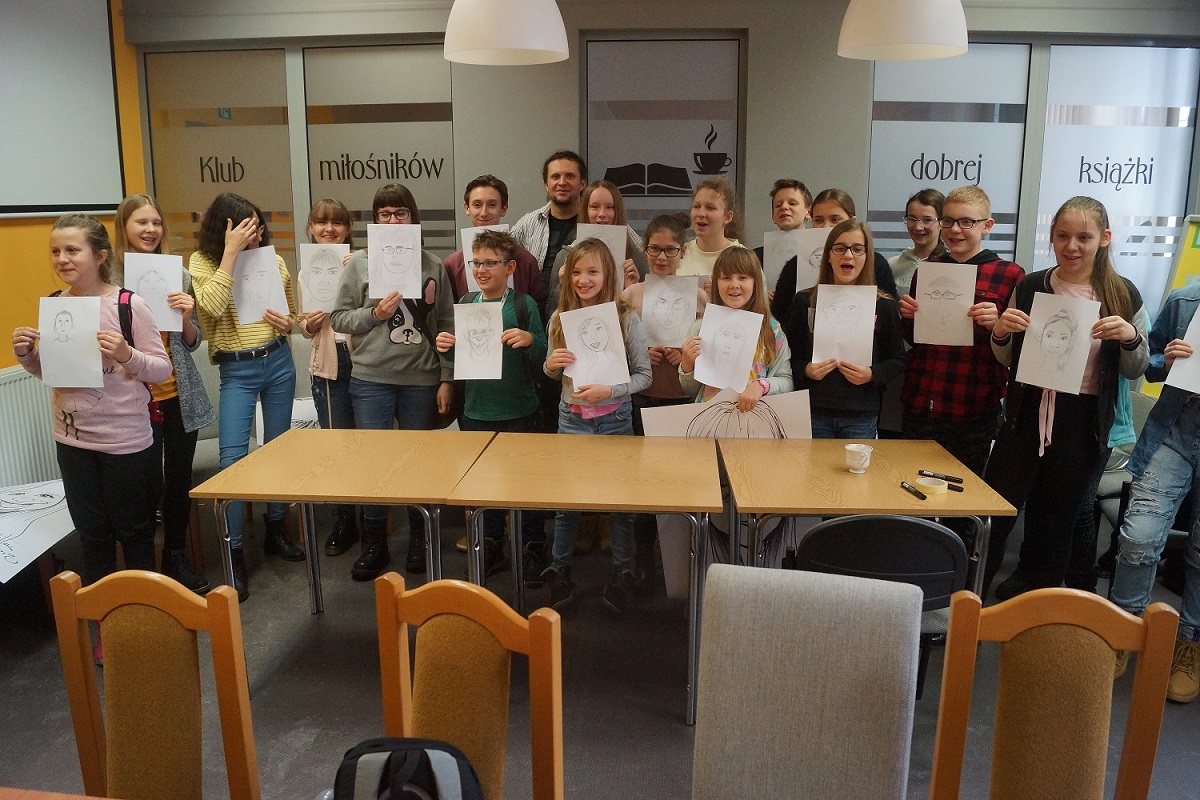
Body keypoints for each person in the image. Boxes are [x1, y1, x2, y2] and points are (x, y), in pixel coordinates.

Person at [983, 196, 1148, 600]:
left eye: (1083, 237)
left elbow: (1136, 370)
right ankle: (972, 594)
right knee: (996, 507)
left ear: (1104, 238)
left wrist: (1130, 337)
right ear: (1052, 237)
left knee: (1056, 517)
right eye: (1062, 236)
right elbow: (1005, 357)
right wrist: (1001, 332)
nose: (1071, 246)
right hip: (1025, 412)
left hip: (1083, 420)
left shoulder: (1123, 294)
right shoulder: (1031, 285)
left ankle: (1036, 594)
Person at [12, 215, 172, 593]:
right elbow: (55, 373)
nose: (62, 259)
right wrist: (27, 356)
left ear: (100, 256)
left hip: (124, 442)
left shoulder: (128, 305)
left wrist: (127, 354)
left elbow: (161, 369)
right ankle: (103, 616)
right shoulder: (56, 304)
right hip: (72, 441)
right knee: (92, 535)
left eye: (72, 250)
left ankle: (143, 611)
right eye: (55, 251)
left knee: (135, 533)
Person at [330, 183, 455, 581]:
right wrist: (375, 315)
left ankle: (419, 539)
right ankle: (374, 543)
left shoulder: (432, 265)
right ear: (375, 220)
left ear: (413, 217)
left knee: (418, 462)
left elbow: (447, 324)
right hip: (371, 378)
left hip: (421, 377)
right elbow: (338, 317)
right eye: (384, 214)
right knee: (375, 463)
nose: (393, 220)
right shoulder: (359, 264)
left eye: (400, 213)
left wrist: (446, 377)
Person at [190, 193, 300, 601]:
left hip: (278, 360)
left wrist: (288, 322)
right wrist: (231, 255)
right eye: (245, 227)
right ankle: (233, 551)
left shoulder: (273, 260)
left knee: (279, 450)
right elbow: (210, 309)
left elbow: (293, 317)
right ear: (226, 229)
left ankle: (275, 529)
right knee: (232, 461)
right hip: (236, 369)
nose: (255, 234)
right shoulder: (203, 263)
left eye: (257, 226)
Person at [541, 238, 653, 613]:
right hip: (571, 418)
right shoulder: (559, 318)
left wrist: (610, 390)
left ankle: (624, 572)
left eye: (592, 271)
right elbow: (551, 371)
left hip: (615, 418)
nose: (583, 279)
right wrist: (551, 364)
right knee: (566, 503)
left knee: (621, 503)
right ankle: (559, 570)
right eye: (576, 272)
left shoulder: (625, 318)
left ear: (608, 275)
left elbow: (645, 376)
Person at [114, 193, 215, 593]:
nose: (151, 230)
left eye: (156, 222)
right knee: (143, 485)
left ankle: (175, 556)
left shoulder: (180, 275)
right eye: (141, 222)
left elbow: (191, 342)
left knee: (178, 479)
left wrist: (187, 317)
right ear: (124, 227)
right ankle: (142, 570)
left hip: (178, 394)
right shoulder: (110, 280)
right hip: (133, 400)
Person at [435, 230, 548, 577]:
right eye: (476, 263)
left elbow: (545, 355)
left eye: (490, 263)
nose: (481, 270)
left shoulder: (523, 305)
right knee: (485, 486)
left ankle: (532, 547)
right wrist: (445, 346)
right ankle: (492, 545)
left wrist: (529, 339)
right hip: (476, 411)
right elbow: (459, 355)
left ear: (510, 267)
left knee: (525, 483)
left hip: (519, 410)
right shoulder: (467, 303)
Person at [1108, 280, 1200, 703]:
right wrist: (1168, 360)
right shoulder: (1186, 299)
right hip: (1175, 429)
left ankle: (1190, 643)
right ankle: (1123, 630)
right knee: (1139, 537)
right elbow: (1150, 362)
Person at [897, 185, 1024, 479]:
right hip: (922, 399)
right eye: (948, 220)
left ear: (986, 226)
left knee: (964, 488)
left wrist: (998, 324)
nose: (955, 230)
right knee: (914, 486)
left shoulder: (1010, 274)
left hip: (974, 405)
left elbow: (1018, 349)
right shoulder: (926, 270)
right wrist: (909, 317)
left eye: (966, 222)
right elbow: (914, 339)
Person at [621, 213, 709, 581]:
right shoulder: (631, 295)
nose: (661, 257)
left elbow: (714, 347)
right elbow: (614, 349)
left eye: (670, 250)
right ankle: (643, 561)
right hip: (643, 399)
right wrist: (643, 351)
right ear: (644, 249)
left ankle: (680, 562)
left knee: (681, 485)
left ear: (682, 251)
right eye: (654, 249)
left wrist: (686, 355)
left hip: (683, 401)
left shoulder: (700, 298)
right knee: (644, 486)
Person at [785, 219, 904, 439]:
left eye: (857, 249)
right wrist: (806, 370)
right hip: (813, 410)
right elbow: (787, 356)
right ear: (828, 256)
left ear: (867, 256)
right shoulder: (805, 301)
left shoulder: (884, 305)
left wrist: (872, 374)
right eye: (840, 248)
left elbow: (897, 360)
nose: (848, 255)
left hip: (861, 414)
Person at [298, 198, 360, 558]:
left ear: (347, 229)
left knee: (367, 442)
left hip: (364, 362)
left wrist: (359, 268)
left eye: (337, 223)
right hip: (328, 363)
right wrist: (311, 322)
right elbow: (304, 327)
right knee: (337, 446)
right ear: (311, 228)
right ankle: (344, 519)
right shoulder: (306, 271)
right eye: (321, 223)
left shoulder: (360, 263)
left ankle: (372, 517)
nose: (329, 229)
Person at [679, 246, 793, 405]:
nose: (734, 284)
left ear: (755, 282)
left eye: (743, 277)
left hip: (754, 416)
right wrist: (687, 366)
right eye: (726, 278)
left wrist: (762, 386)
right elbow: (691, 391)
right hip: (710, 416)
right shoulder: (700, 328)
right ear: (716, 283)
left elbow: (787, 381)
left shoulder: (772, 330)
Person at [442, 174, 548, 310]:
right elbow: (447, 313)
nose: (484, 213)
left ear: (503, 209)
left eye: (492, 205)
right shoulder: (452, 265)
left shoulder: (525, 260)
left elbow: (539, 308)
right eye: (477, 205)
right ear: (467, 208)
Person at [546, 180, 650, 311]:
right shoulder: (565, 256)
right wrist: (562, 285)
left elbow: (647, 316)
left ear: (618, 211)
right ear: (585, 211)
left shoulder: (635, 258)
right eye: (594, 207)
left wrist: (632, 291)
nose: (602, 214)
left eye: (610, 207)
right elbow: (550, 314)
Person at [510, 150, 587, 305]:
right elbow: (499, 258)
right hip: (535, 313)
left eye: (569, 176)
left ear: (582, 184)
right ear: (546, 185)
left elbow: (638, 249)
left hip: (580, 311)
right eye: (555, 176)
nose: (562, 182)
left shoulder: (598, 222)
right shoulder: (528, 223)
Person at [755, 179, 813, 320]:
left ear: (808, 212)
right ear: (773, 216)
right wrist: (761, 294)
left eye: (792, 203)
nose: (784, 207)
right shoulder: (754, 257)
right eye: (778, 205)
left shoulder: (819, 254)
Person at [678, 178, 742, 280]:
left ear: (727, 217)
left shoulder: (743, 259)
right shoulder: (679, 254)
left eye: (710, 208)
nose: (701, 214)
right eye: (696, 206)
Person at [890, 188, 947, 298]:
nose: (918, 227)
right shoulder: (892, 265)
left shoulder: (952, 265)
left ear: (942, 222)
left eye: (927, 220)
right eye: (912, 219)